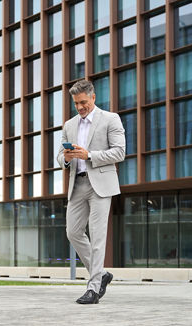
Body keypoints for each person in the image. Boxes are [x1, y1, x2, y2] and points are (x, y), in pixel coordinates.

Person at [57, 80, 126, 304]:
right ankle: (102, 274)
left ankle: (94, 288)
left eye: (83, 102)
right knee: (73, 232)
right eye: (76, 103)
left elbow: (119, 152)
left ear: (93, 98)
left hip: (101, 185)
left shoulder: (110, 119)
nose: (80, 107)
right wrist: (65, 159)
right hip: (77, 184)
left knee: (97, 237)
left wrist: (89, 155)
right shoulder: (69, 125)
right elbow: (59, 156)